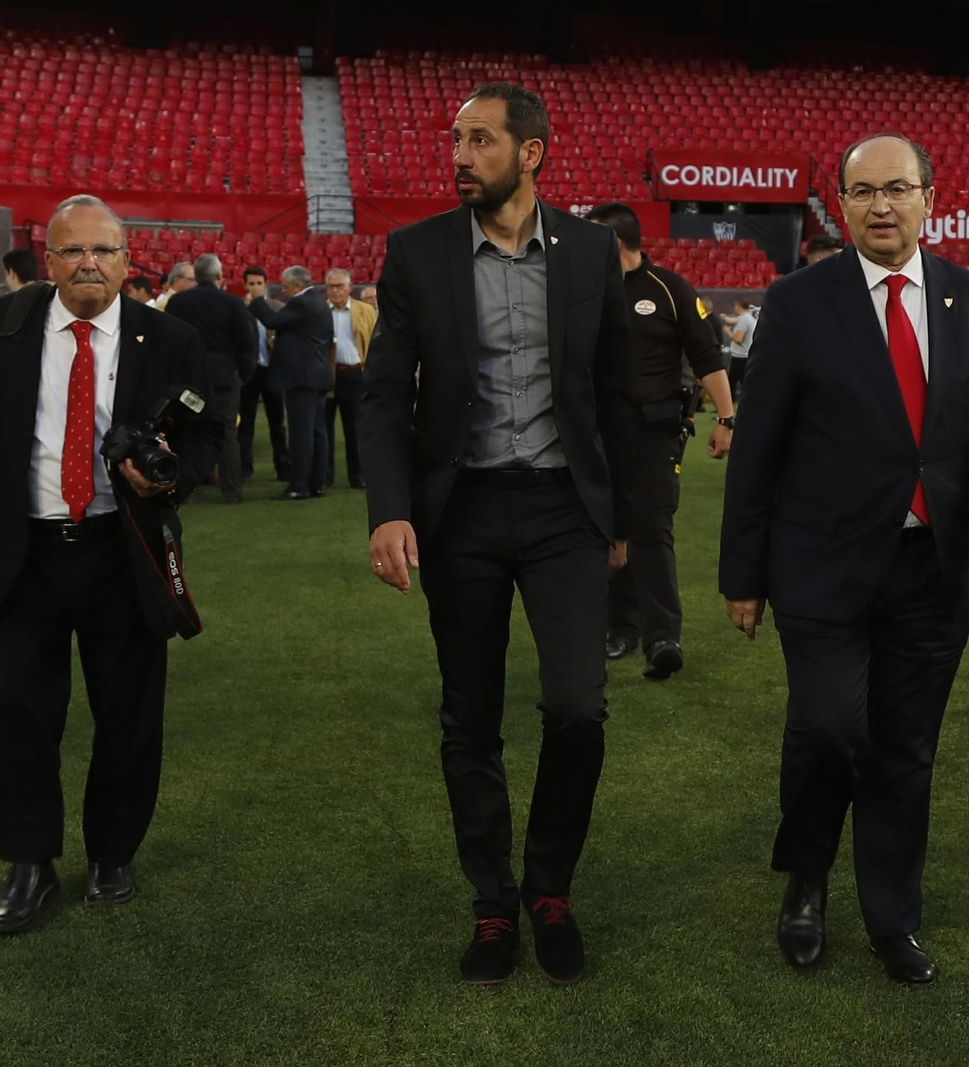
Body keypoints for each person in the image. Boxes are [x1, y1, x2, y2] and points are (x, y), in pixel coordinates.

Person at [719, 132, 969, 985]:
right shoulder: (798, 301)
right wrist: (742, 575)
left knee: (905, 748)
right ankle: (807, 876)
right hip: (820, 566)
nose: (882, 206)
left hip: (932, 570)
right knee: (827, 728)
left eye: (898, 189)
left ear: (931, 197)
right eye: (863, 192)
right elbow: (757, 447)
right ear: (843, 204)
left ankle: (892, 915)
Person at [359, 83, 631, 987]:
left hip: (565, 512)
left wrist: (625, 517)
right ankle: (492, 899)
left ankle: (549, 887)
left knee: (576, 707)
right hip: (461, 511)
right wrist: (390, 509)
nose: (459, 155)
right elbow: (384, 390)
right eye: (455, 139)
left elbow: (618, 394)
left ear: (532, 152)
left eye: (480, 139)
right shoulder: (416, 252)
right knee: (469, 717)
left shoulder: (593, 252)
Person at [0, 194, 220, 934]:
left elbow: (204, 434)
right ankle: (28, 864)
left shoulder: (172, 337)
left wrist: (167, 477)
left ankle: (111, 855)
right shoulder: (2, 326)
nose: (89, 262)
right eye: (73, 251)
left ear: (128, 261)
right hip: (23, 550)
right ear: (48, 260)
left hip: (121, 552)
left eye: (104, 250)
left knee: (128, 714)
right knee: (21, 710)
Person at [587, 200, 735, 679]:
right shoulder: (584, 291)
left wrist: (727, 419)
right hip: (597, 434)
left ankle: (662, 638)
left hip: (656, 432)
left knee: (651, 530)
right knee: (607, 533)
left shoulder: (669, 290)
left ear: (613, 242)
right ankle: (619, 629)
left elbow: (708, 357)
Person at [165, 254, 258, 504]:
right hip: (224, 378)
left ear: (196, 276)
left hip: (189, 380)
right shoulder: (233, 303)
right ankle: (232, 490)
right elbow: (246, 344)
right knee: (228, 432)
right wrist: (243, 374)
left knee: (187, 431)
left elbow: (169, 342)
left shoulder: (178, 302)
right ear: (220, 276)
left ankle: (185, 488)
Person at [248, 266, 331, 500]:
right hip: (317, 375)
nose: (283, 291)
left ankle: (299, 485)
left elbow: (271, 319)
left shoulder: (301, 302)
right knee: (317, 432)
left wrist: (257, 299)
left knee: (301, 434)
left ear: (297, 286)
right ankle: (317, 482)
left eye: (285, 286)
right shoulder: (319, 302)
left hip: (301, 378)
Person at [322, 268, 377, 489]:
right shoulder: (320, 311)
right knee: (324, 428)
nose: (335, 291)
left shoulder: (365, 310)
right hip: (327, 374)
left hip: (355, 374)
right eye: (331, 286)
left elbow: (375, 342)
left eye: (340, 286)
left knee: (356, 428)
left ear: (349, 287)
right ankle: (325, 476)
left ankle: (359, 475)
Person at [238, 266, 289, 483]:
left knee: (277, 422)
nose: (256, 287)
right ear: (245, 285)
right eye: (251, 283)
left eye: (259, 283)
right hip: (249, 372)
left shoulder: (277, 307)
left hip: (272, 369)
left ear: (266, 284)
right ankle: (244, 469)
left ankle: (283, 467)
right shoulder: (239, 308)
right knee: (245, 422)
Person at [720, 297, 757, 403]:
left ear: (738, 306)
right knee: (734, 382)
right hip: (743, 356)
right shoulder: (748, 317)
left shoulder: (744, 320)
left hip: (740, 357)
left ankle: (730, 408)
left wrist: (728, 332)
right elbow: (735, 320)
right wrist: (725, 318)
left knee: (735, 383)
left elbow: (738, 338)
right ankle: (731, 405)